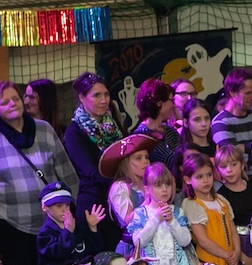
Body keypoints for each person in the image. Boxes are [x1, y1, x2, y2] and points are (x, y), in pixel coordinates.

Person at [0, 80, 78, 265]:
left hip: (51, 227)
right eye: (5, 102)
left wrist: (69, 211)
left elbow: (69, 175)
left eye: (15, 99)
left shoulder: (45, 130)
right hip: (10, 228)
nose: (13, 104)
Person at [180, 153, 247, 265]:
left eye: (209, 175)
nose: (206, 180)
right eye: (200, 177)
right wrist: (227, 255)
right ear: (188, 180)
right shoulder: (191, 204)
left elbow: (232, 230)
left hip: (229, 263)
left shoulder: (221, 201)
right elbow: (203, 240)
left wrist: (236, 253)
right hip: (211, 263)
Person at [62, 73, 127, 251]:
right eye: (96, 95)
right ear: (82, 98)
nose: (104, 100)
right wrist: (123, 179)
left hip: (118, 196)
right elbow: (91, 172)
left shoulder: (113, 125)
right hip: (95, 204)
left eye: (106, 94)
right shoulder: (74, 132)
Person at [36, 183, 104, 265]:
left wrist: (92, 228)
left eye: (67, 205)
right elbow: (59, 252)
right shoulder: (45, 234)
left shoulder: (76, 226)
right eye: (59, 206)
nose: (65, 210)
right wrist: (68, 232)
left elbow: (94, 251)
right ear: (45, 207)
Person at [126, 163, 193, 265]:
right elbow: (138, 242)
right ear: (147, 189)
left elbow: (185, 241)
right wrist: (156, 218)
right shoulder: (141, 214)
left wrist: (172, 221)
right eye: (158, 185)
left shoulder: (177, 212)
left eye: (168, 184)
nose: (164, 189)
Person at [102, 133, 157, 234]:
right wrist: (150, 199)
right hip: (137, 240)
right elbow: (129, 220)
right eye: (138, 158)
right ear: (126, 163)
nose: (145, 161)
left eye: (146, 157)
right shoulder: (120, 187)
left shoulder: (151, 182)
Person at [131, 78, 183, 171]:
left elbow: (185, 156)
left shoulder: (169, 131)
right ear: (159, 103)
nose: (174, 105)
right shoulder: (141, 136)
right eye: (171, 101)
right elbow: (172, 161)